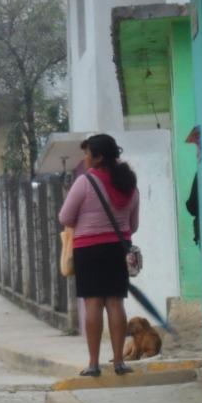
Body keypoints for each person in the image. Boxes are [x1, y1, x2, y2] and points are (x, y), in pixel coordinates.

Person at [58, 134, 140, 378]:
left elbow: (65, 217)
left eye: (87, 154)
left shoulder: (85, 183)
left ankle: (93, 364)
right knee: (115, 303)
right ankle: (118, 362)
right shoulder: (129, 184)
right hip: (118, 249)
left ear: (99, 156)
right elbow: (133, 225)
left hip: (89, 251)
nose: (85, 159)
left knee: (93, 303)